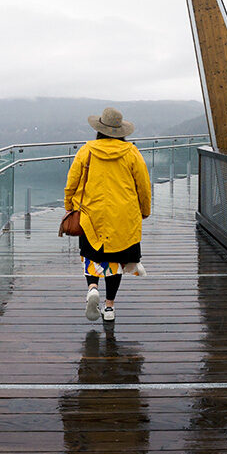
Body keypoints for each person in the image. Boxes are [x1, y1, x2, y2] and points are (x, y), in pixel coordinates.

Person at [63, 107, 151, 322]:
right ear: (121, 131)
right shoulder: (131, 152)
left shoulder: (87, 151)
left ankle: (92, 288)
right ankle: (109, 307)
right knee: (114, 261)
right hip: (123, 216)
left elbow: (72, 181)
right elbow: (143, 185)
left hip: (91, 214)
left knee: (91, 255)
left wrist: (68, 205)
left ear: (99, 129)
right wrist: (145, 210)